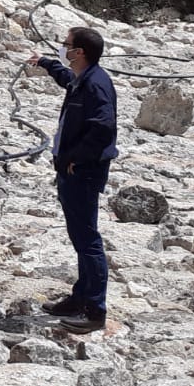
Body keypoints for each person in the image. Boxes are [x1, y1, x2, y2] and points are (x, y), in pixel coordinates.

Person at [28, 26, 118, 332]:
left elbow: (103, 128)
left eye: (65, 45)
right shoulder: (82, 79)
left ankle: (94, 311)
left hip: (83, 171)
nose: (62, 48)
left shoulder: (97, 84)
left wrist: (75, 158)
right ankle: (80, 298)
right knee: (80, 238)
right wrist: (45, 62)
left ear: (79, 52)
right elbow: (67, 80)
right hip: (73, 169)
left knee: (87, 240)